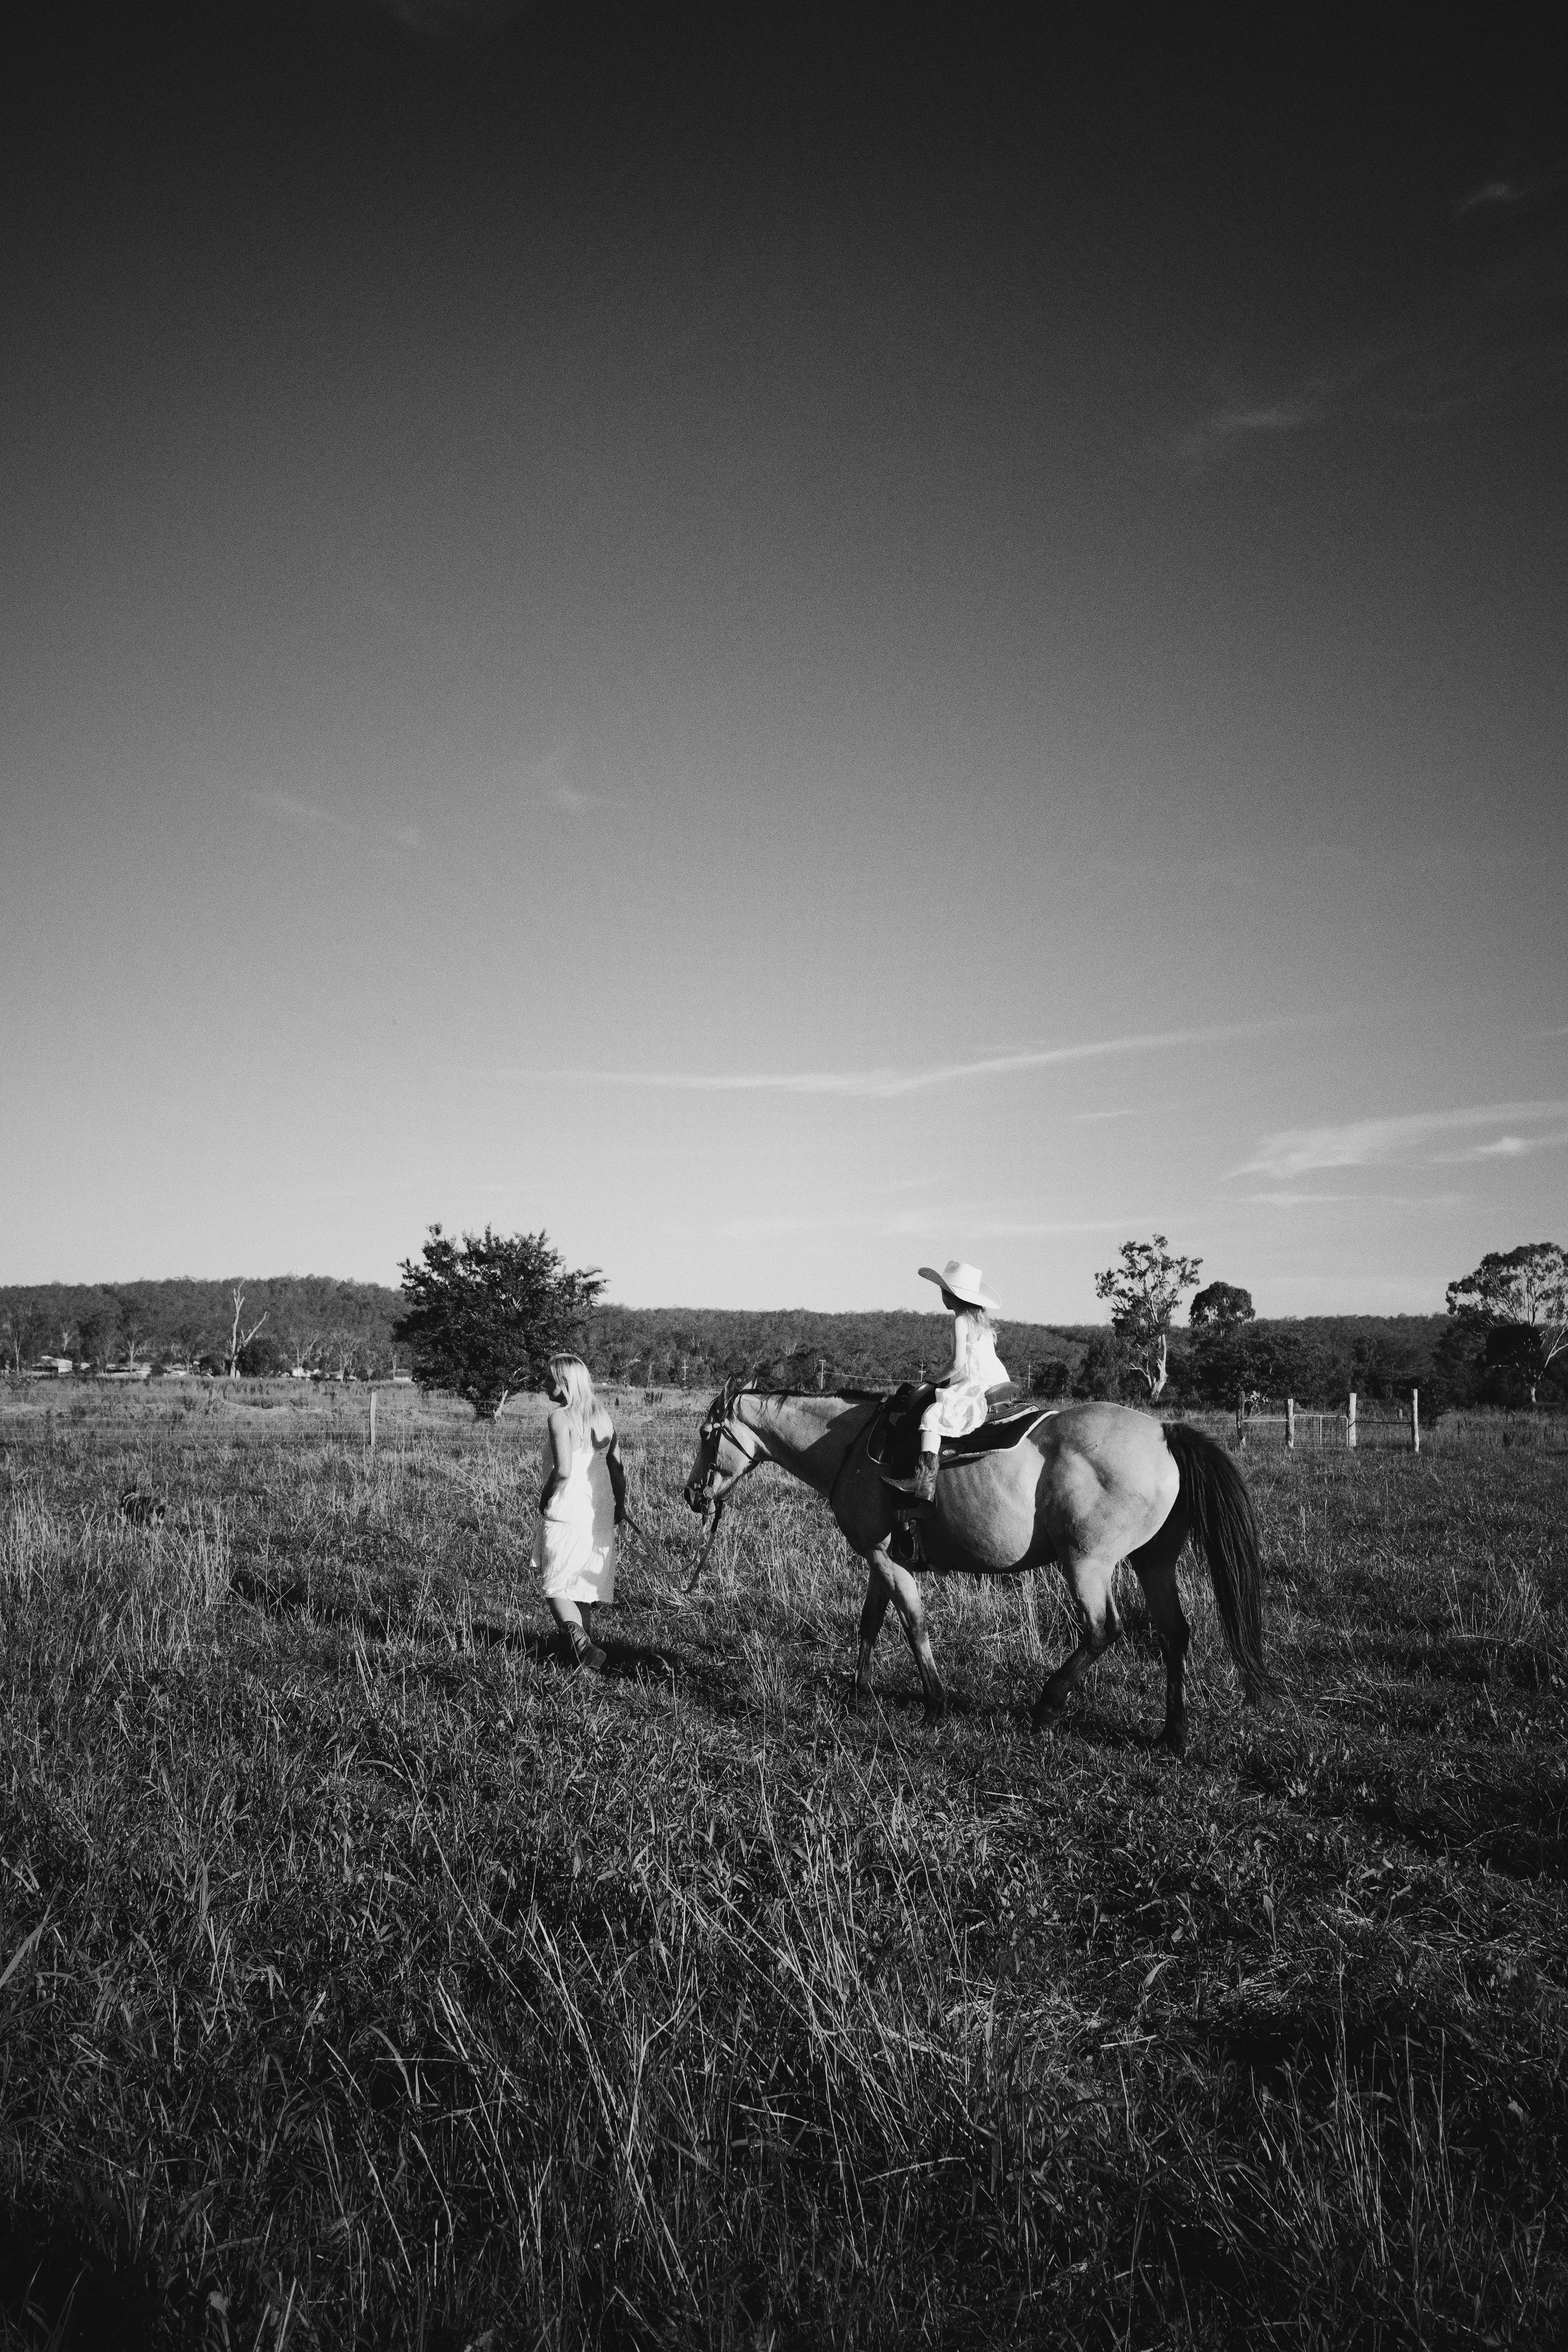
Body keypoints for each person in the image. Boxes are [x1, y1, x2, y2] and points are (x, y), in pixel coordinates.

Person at [885, 1259, 1011, 1505]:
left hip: (974, 1384)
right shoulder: (983, 1324)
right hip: (997, 1381)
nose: (941, 1294)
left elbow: (957, 1364)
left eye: (943, 1290)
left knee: (931, 1417)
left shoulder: (960, 1321)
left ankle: (924, 1480)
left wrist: (932, 1380)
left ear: (950, 1295)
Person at [532, 1353, 626, 1671]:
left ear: (564, 1382)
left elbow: (563, 1470)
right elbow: (617, 1467)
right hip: (598, 1506)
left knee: (555, 1582)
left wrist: (544, 1498)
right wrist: (620, 1506)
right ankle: (579, 1662)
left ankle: (584, 1649)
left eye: (550, 1378)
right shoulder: (603, 1417)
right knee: (580, 1589)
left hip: (568, 1504)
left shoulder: (560, 1417)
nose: (545, 1383)